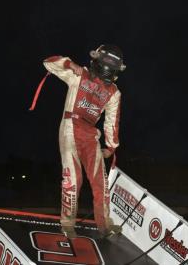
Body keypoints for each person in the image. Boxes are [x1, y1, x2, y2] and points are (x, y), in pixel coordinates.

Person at [42, 44, 126, 238]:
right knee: (73, 178)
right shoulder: (80, 74)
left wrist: (112, 147)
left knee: (100, 182)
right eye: (107, 62)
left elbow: (113, 121)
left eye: (112, 64)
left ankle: (104, 225)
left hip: (90, 134)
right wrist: (69, 64)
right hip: (70, 126)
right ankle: (67, 224)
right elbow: (48, 63)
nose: (108, 66)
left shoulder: (114, 92)